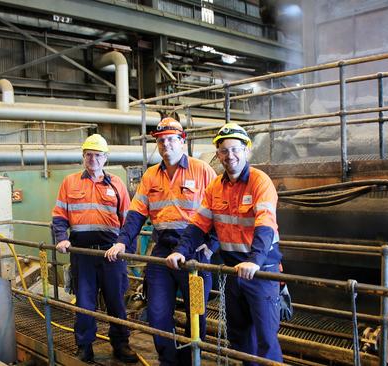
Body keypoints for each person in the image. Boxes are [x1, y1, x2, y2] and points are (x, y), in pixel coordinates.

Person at [166, 123, 283, 365]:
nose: (230, 156)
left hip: (261, 271)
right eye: (224, 151)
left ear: (246, 151)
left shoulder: (261, 182)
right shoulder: (215, 187)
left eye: (235, 149)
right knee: (239, 336)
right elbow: (198, 224)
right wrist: (180, 251)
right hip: (232, 272)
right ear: (217, 155)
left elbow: (265, 224)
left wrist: (255, 261)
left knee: (266, 339)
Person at [105, 117, 218, 365]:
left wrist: (211, 248)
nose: (165, 144)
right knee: (156, 313)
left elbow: (220, 211)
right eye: (161, 140)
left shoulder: (202, 170)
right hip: (163, 248)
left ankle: (189, 360)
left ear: (182, 141)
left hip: (195, 252)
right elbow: (136, 214)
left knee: (196, 315)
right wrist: (122, 242)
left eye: (170, 139)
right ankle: (169, 360)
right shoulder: (151, 176)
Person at [52, 133, 138, 363]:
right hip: (82, 254)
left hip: (111, 254)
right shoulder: (70, 182)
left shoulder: (116, 183)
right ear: (83, 157)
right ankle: (84, 346)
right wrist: (61, 238)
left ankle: (121, 344)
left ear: (105, 158)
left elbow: (128, 220)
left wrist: (126, 250)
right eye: (89, 155)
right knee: (85, 302)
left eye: (97, 155)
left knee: (116, 301)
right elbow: (59, 216)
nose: (93, 159)